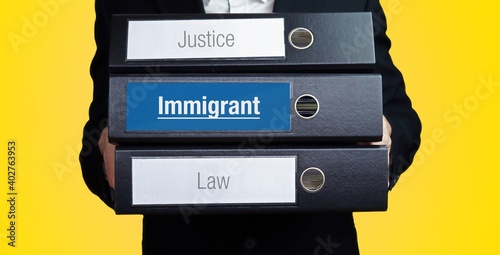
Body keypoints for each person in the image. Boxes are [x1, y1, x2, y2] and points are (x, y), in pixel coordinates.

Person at [80, 0, 421, 254]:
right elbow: (99, 132)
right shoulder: (124, 1)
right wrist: (108, 154)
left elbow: (400, 117)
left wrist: (385, 140)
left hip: (313, 243)